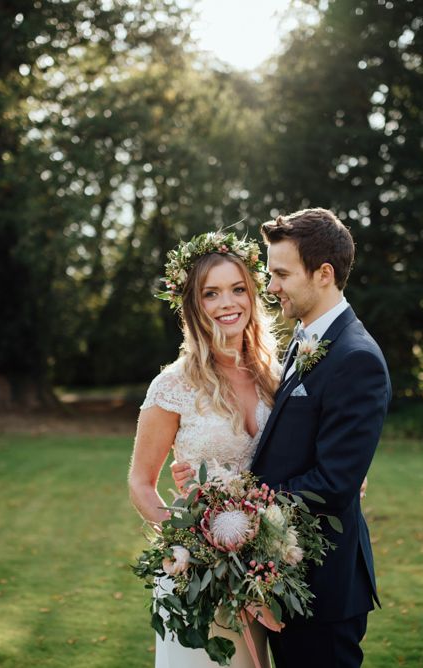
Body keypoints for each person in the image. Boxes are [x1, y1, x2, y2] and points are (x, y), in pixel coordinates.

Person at [172, 208, 391, 667]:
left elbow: (333, 483)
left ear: (324, 273)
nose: (269, 287)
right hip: (282, 579)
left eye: (281, 274)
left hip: (323, 588)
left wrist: (236, 510)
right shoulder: (303, 339)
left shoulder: (357, 358)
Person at [128, 230, 281, 668]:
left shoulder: (277, 378)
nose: (227, 303)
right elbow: (141, 482)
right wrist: (190, 548)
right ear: (193, 306)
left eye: (237, 289)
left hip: (265, 575)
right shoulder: (173, 385)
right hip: (201, 580)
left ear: (252, 294)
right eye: (210, 294)